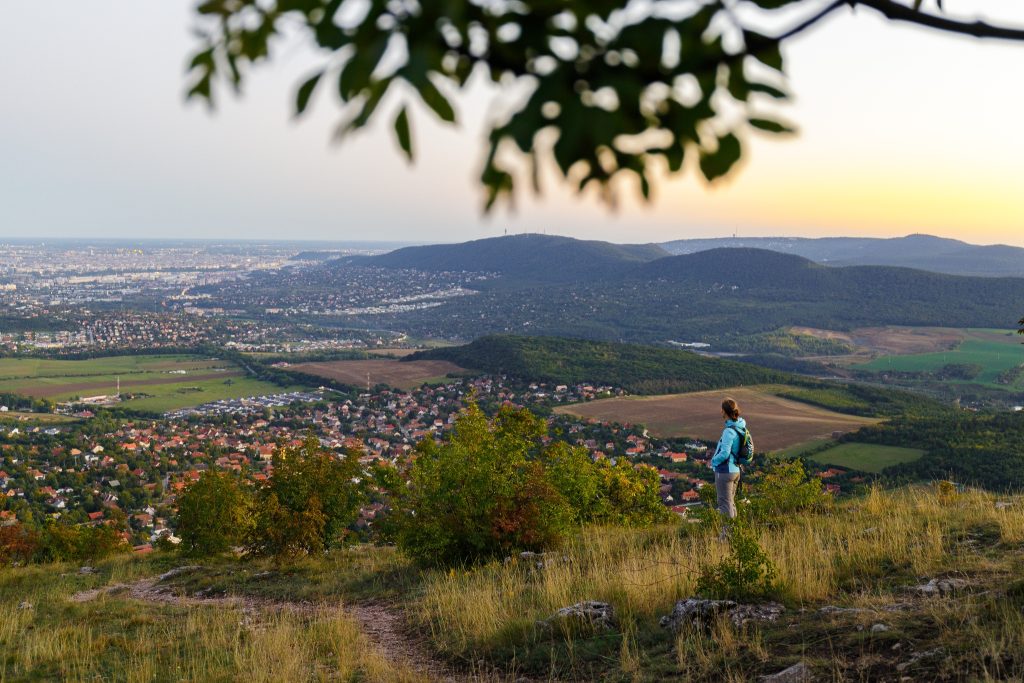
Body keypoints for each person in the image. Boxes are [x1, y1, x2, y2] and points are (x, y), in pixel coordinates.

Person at [709, 397, 747, 538]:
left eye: (722, 409)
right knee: (731, 503)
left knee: (724, 504)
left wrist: (713, 461)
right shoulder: (741, 427)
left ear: (724, 411)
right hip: (736, 470)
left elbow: (724, 453)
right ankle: (735, 533)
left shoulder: (728, 431)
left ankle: (727, 536)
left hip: (725, 471)